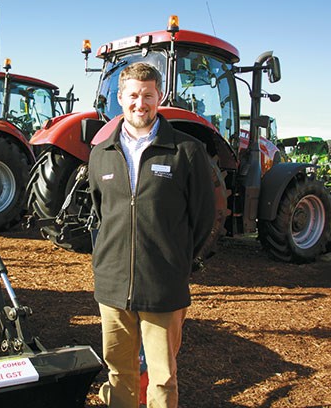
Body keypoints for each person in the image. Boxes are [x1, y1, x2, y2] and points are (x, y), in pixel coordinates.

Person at [88, 62, 215, 408]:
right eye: (132, 95)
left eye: (147, 95)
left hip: (164, 286)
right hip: (113, 286)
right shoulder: (101, 154)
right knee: (118, 373)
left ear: (160, 96)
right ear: (120, 98)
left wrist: (179, 263)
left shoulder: (187, 151)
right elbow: (100, 215)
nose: (139, 103)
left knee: (162, 376)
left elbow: (204, 217)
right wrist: (104, 263)